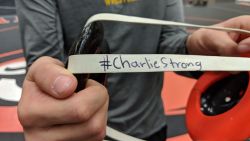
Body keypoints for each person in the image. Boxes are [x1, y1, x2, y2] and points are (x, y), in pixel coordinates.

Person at [15, 0, 250, 140]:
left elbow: (169, 41)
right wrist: (49, 95)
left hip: (152, 127)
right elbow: (44, 62)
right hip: (81, 133)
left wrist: (194, 47)